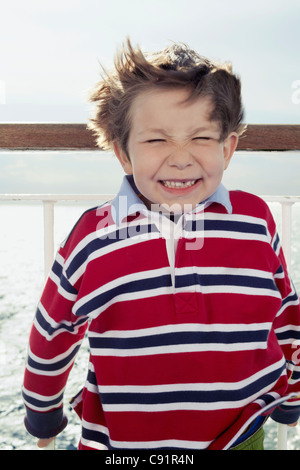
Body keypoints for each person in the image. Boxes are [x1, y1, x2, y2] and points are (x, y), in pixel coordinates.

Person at [23, 38, 300, 451]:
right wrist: (44, 413)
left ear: (228, 148)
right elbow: (53, 331)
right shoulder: (94, 235)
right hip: (122, 445)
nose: (181, 157)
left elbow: (284, 310)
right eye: (156, 141)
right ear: (123, 154)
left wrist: (291, 396)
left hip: (240, 435)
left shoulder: (254, 219)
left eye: (202, 138)